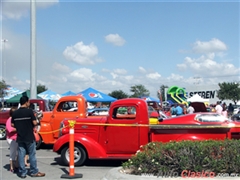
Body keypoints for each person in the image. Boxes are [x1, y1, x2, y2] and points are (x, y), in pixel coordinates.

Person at [11, 96, 45, 178]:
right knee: (32, 154)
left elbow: (12, 125)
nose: (29, 103)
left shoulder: (15, 113)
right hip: (29, 136)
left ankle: (22, 172)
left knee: (21, 154)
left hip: (20, 137)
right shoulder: (29, 111)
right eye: (29, 102)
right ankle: (34, 171)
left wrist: (20, 126)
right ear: (26, 102)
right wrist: (38, 119)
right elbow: (34, 123)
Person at [6, 106, 18, 173]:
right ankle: (11, 167)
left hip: (17, 138)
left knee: (18, 153)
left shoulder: (15, 119)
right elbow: (10, 129)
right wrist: (19, 129)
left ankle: (16, 165)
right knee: (13, 153)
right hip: (11, 138)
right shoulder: (10, 120)